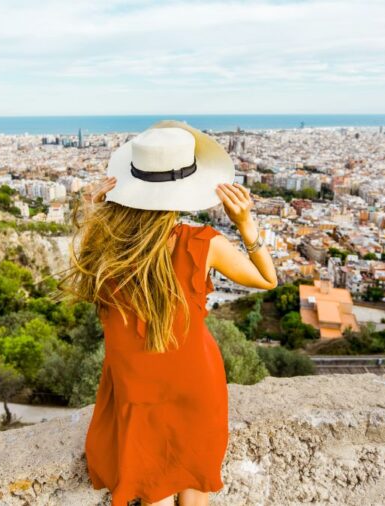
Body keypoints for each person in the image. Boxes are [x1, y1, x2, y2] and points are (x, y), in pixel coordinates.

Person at [59, 120, 277, 506]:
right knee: (195, 483)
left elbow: (82, 275)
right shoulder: (203, 243)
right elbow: (266, 279)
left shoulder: (104, 250)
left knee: (151, 486)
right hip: (197, 381)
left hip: (136, 385)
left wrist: (91, 212)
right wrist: (245, 224)